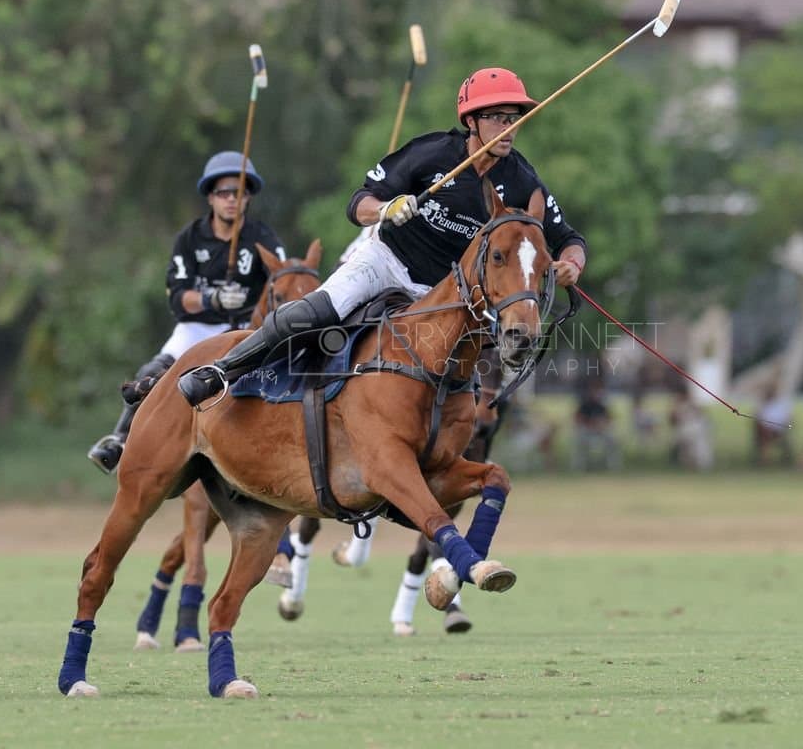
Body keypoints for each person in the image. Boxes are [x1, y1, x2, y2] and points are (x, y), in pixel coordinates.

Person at [177, 66, 588, 407]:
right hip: (386, 262)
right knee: (314, 312)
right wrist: (386, 209)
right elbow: (359, 202)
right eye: (499, 117)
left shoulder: (521, 181)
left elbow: (568, 238)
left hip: (443, 290)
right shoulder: (431, 155)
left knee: (473, 370)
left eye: (515, 117)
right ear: (472, 121)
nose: (509, 127)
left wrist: (570, 264)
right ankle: (222, 371)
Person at [87, 150, 285, 472]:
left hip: (245, 329)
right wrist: (213, 300)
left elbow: (283, 279)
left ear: (248, 198)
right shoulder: (190, 239)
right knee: (150, 374)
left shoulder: (263, 238)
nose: (232, 200)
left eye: (240, 193)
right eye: (224, 193)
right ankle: (120, 441)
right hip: (198, 328)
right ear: (210, 197)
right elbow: (178, 297)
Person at [571, 376, 621, 471]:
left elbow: (609, 419)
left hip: (601, 431)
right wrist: (591, 424)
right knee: (580, 441)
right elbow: (578, 419)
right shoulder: (584, 405)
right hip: (587, 431)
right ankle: (578, 467)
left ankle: (613, 467)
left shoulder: (602, 406)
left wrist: (602, 424)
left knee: (612, 439)